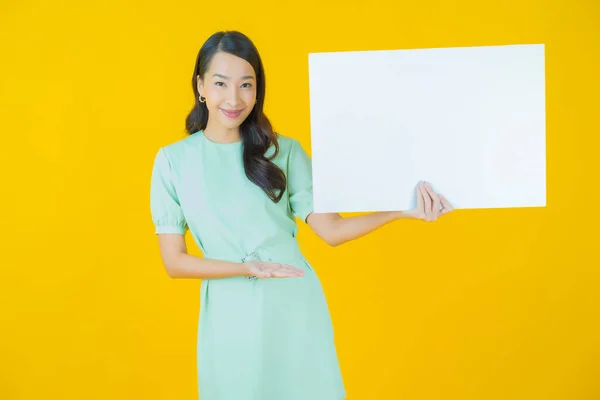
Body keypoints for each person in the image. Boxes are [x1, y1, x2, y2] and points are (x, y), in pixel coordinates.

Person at [150, 30, 453, 400]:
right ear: (200, 86)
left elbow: (332, 230)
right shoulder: (172, 162)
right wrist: (246, 269)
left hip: (293, 301)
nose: (233, 98)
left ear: (258, 90)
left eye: (246, 84)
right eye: (220, 83)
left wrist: (402, 211)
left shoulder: (284, 151)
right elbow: (174, 262)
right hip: (229, 313)